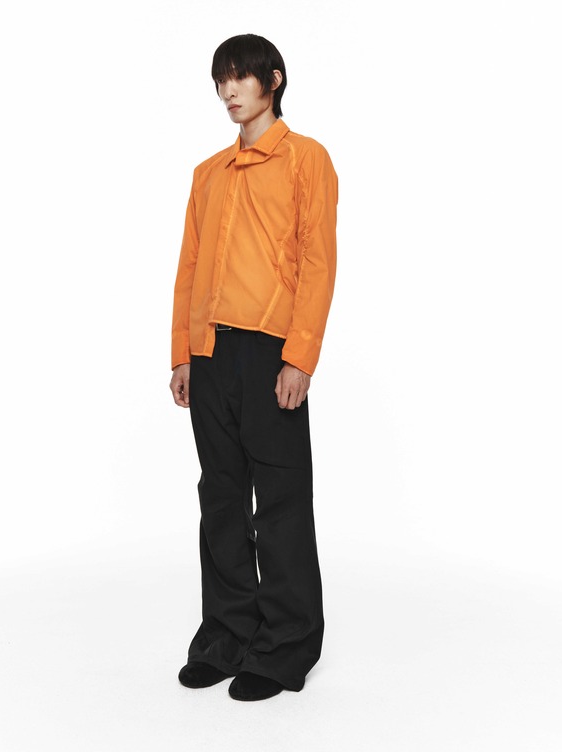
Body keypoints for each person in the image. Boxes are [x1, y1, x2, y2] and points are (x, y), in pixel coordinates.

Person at [169, 33, 338, 701]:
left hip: (270, 351)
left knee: (281, 501)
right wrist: (181, 352)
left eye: (241, 76)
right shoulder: (208, 173)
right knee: (220, 497)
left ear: (274, 79)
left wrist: (300, 356)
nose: (229, 90)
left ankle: (286, 645)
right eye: (222, 80)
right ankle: (227, 635)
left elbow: (318, 263)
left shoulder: (306, 160)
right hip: (210, 353)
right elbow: (188, 268)